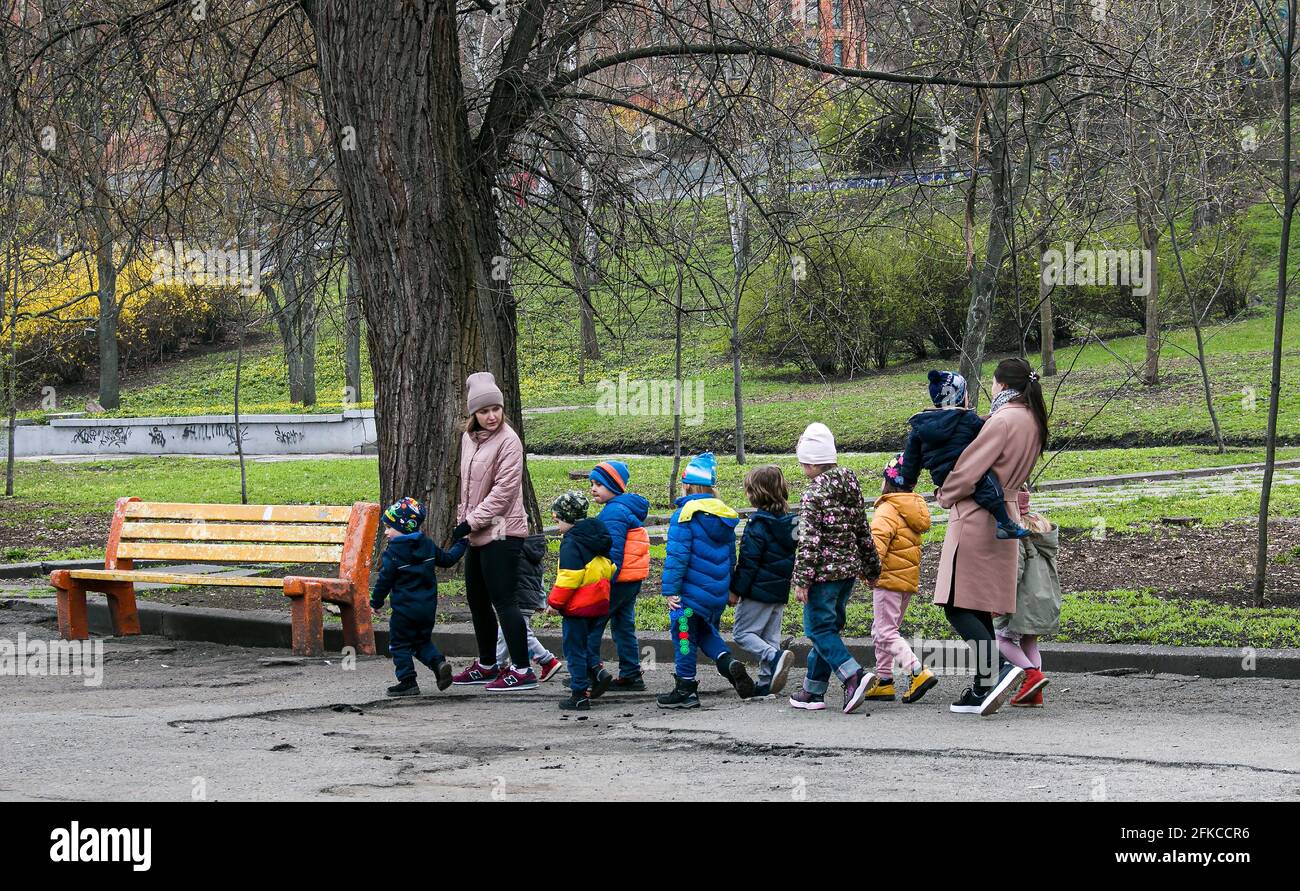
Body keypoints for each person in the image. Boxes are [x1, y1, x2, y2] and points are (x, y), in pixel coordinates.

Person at [934, 357, 1050, 716]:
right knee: (977, 604)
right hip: (1007, 514)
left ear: (1002, 385)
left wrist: (945, 494)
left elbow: (970, 470)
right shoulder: (1032, 419)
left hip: (976, 516)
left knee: (955, 603)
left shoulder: (1002, 420)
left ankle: (1000, 668)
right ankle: (984, 687)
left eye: (994, 383)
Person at [450, 371, 538, 692]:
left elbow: (503, 492)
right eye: (484, 411)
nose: (491, 416)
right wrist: (466, 522)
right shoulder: (467, 440)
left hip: (503, 531)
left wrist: (469, 522)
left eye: (496, 409)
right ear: (473, 413)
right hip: (476, 531)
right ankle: (488, 664)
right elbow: (467, 489)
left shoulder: (509, 441)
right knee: (476, 598)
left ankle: (522, 668)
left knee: (504, 600)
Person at [788, 423, 882, 715]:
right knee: (829, 629)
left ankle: (853, 675)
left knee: (817, 629)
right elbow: (862, 529)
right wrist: (871, 567)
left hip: (822, 576)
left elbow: (808, 541)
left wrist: (802, 580)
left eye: (803, 461)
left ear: (812, 463)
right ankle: (812, 690)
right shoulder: (850, 485)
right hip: (848, 574)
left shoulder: (812, 495)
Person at [657, 452, 755, 709]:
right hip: (714, 594)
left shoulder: (685, 514)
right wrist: (731, 588)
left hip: (688, 597)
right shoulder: (723, 516)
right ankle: (727, 662)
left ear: (687, 485)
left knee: (684, 638)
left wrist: (670, 590)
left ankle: (686, 687)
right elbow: (730, 556)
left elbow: (677, 556)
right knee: (703, 632)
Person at [902, 370, 1028, 540]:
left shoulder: (920, 426)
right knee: (988, 485)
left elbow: (911, 458)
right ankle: (1004, 523)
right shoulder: (967, 419)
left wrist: (909, 480)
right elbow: (987, 433)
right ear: (961, 396)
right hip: (964, 469)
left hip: (941, 476)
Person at [369, 497, 467, 697]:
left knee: (399, 644)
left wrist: (375, 602)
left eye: (389, 527)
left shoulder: (393, 553)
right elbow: (448, 560)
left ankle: (408, 681)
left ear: (403, 527)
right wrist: (462, 543)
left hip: (404, 611)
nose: (386, 532)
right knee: (421, 642)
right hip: (427, 609)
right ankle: (438, 663)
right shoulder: (427, 545)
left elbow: (384, 582)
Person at [866, 454, 938, 704]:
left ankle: (916, 671)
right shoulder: (912, 508)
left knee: (885, 632)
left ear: (889, 480)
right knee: (884, 630)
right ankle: (884, 680)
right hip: (906, 580)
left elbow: (877, 545)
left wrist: (868, 572)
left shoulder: (887, 508)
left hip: (887, 579)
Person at [729, 464, 796, 698]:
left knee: (742, 633)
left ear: (757, 493)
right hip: (779, 590)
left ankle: (775, 657)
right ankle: (767, 682)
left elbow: (749, 562)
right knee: (769, 637)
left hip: (757, 590)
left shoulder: (757, 524)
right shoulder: (791, 523)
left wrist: (736, 590)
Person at [545, 491, 615, 711]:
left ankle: (579, 694)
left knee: (574, 648)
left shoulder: (571, 543)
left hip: (578, 607)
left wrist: (554, 604)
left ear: (567, 517)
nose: (555, 523)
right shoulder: (597, 536)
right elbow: (610, 566)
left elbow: (569, 578)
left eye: (557, 520)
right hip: (600, 603)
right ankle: (597, 672)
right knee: (587, 643)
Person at [588, 460, 650, 692]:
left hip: (617, 579)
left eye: (599, 484)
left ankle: (591, 672)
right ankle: (631, 673)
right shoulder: (623, 508)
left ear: (615, 486)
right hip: (631, 579)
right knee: (623, 625)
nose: (593, 488)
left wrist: (603, 583)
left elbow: (612, 554)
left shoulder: (614, 512)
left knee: (593, 623)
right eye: (592, 484)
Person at [998, 488, 1060, 708]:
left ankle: (1031, 675)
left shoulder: (1017, 531)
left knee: (1002, 639)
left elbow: (1014, 569)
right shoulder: (1042, 526)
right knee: (1029, 642)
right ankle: (1034, 694)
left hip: (1022, 599)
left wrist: (1000, 599)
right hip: (1044, 596)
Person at [494, 533, 563, 682]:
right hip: (530, 598)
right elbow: (540, 578)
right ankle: (498, 663)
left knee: (519, 632)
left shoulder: (513, 549)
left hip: (516, 598)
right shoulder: (533, 549)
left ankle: (546, 660)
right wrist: (541, 600)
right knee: (506, 630)